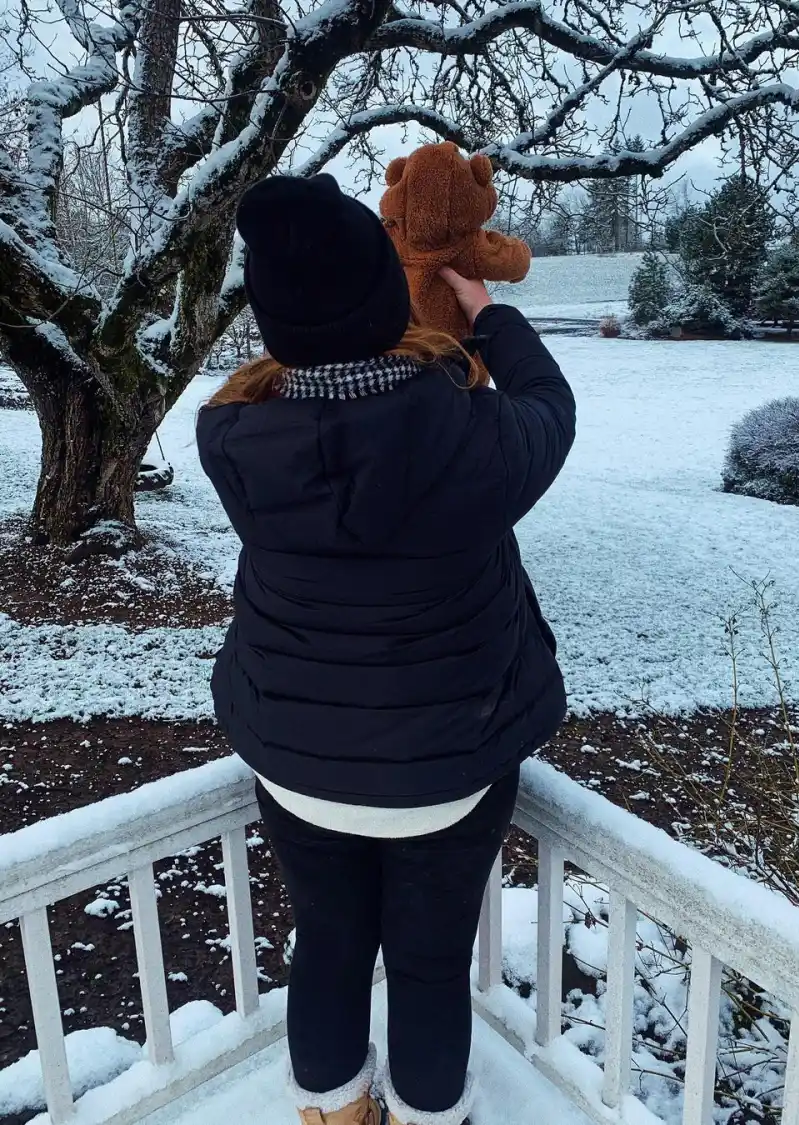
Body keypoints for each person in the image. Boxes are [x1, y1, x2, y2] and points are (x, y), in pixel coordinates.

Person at [196, 172, 576, 1125]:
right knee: (429, 961)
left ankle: (330, 1112)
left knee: (326, 945)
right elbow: (550, 403)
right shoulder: (474, 437)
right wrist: (486, 314)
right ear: (384, 298)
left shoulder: (234, 439)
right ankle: (425, 1115)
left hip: (298, 766)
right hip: (448, 770)